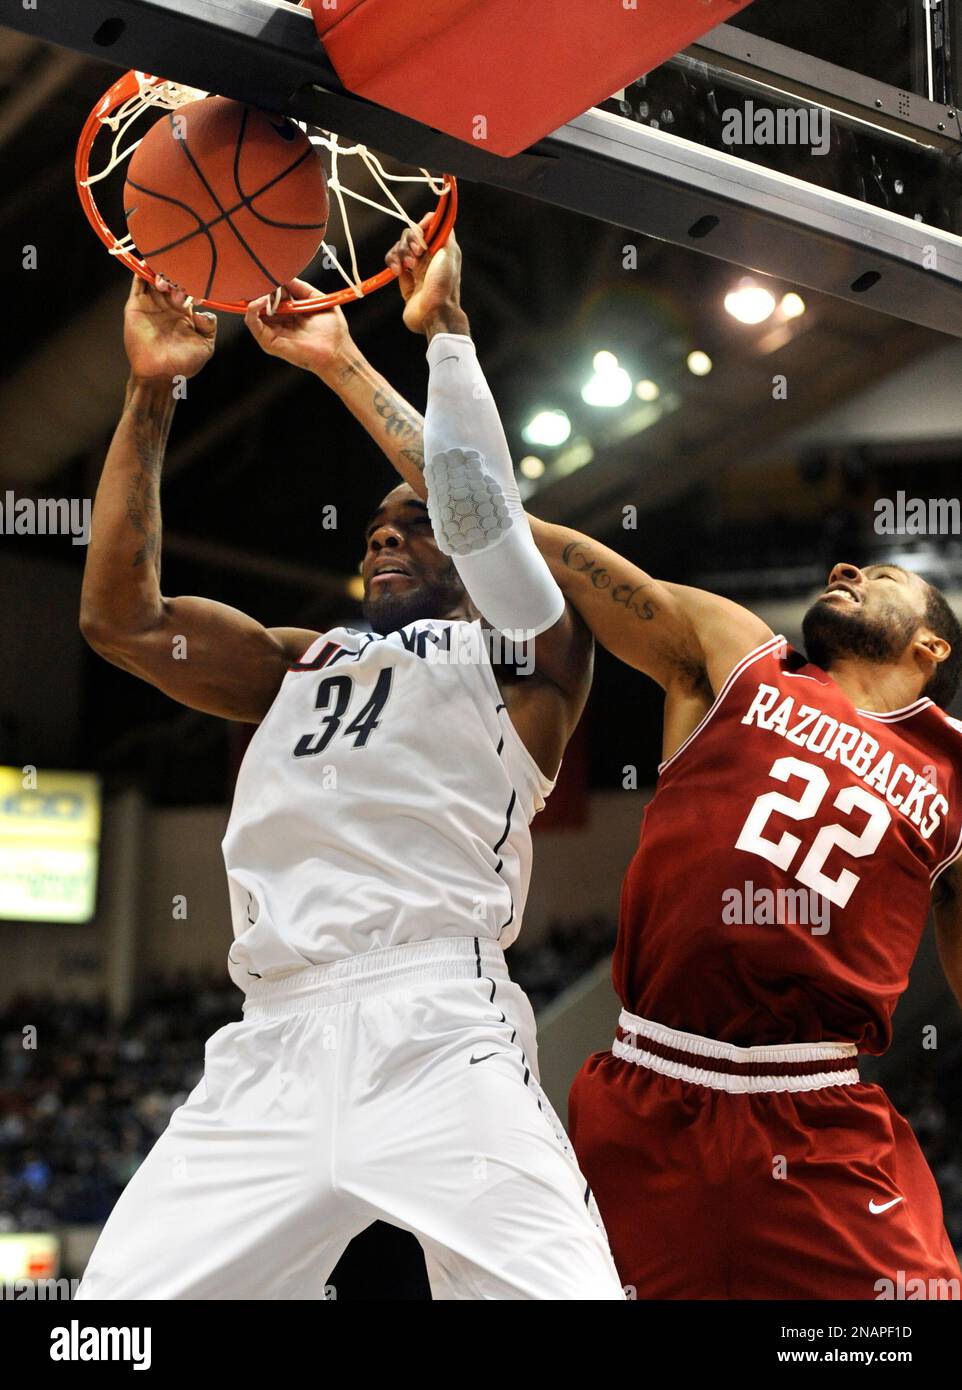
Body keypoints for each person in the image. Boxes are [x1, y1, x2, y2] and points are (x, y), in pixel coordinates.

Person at [360, 220, 962, 1300]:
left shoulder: (956, 777)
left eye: (876, 570)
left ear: (931, 648)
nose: (844, 566)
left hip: (817, 1114)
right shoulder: (732, 655)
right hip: (649, 1093)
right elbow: (501, 525)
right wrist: (420, 341)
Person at [74, 266, 623, 1300]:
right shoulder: (295, 661)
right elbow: (121, 621)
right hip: (269, 1032)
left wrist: (350, 359)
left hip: (435, 1027)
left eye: (413, 522)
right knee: (111, 1321)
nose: (384, 532)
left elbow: (491, 521)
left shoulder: (523, 658)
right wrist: (152, 389)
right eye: (373, 525)